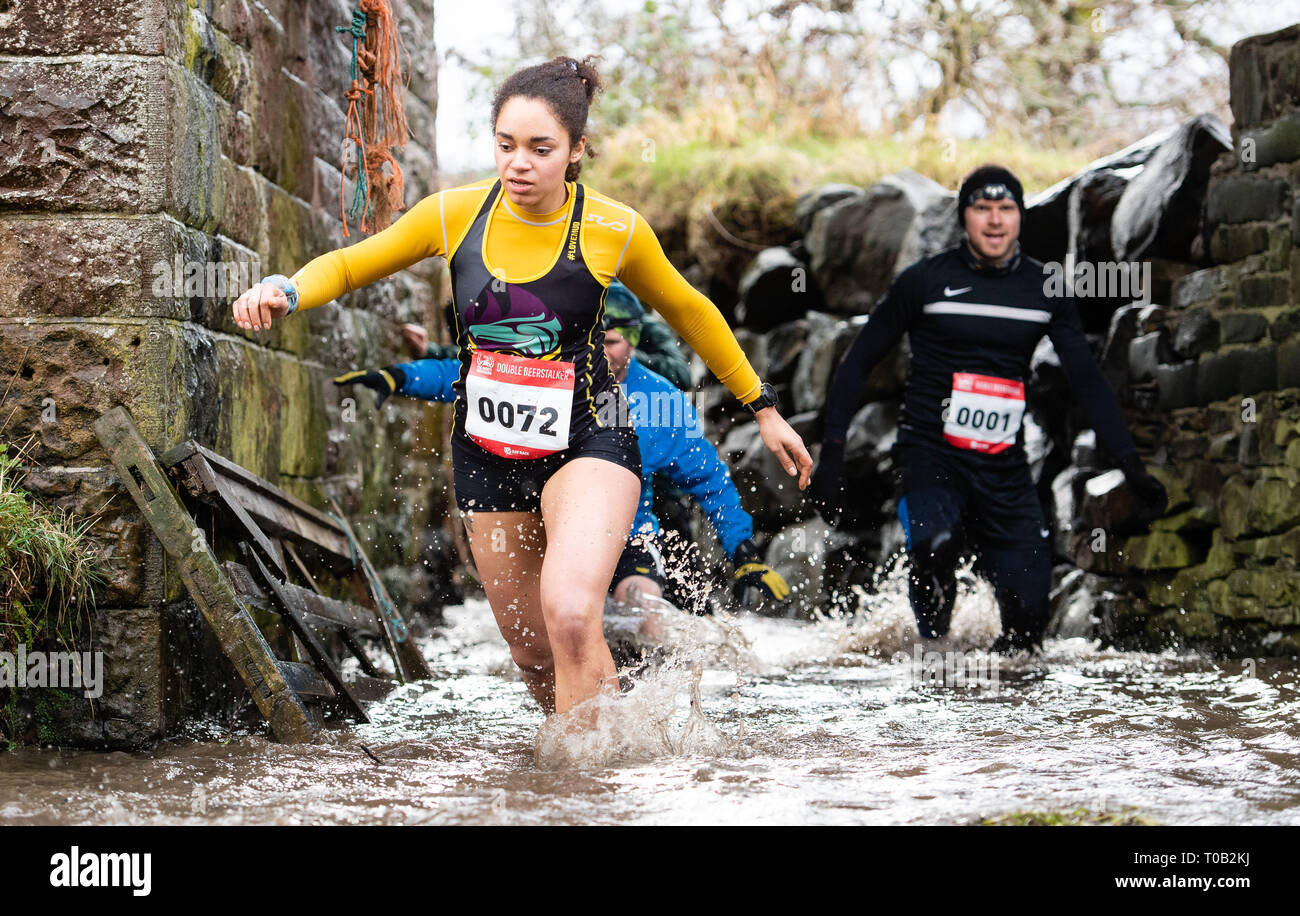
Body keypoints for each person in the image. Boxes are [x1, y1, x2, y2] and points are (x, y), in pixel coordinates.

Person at [232, 56, 811, 717]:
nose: (519, 164)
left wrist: (762, 409)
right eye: (506, 145)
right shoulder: (451, 216)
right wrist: (287, 288)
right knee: (534, 653)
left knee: (568, 614)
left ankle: (594, 781)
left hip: (589, 441)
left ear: (575, 151)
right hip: (487, 457)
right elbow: (350, 265)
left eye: (541, 148)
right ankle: (586, 767)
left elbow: (692, 312)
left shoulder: (611, 229)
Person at [810, 164, 1167, 652]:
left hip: (1004, 466)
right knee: (934, 548)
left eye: (1006, 209)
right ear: (964, 218)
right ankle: (932, 668)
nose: (995, 220)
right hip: (929, 455)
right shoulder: (924, 282)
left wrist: (1131, 465)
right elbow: (855, 365)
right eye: (983, 209)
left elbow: (1089, 382)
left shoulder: (1046, 288)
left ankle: (1000, 718)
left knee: (1028, 623)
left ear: (1020, 217)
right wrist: (831, 454)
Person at [338, 284, 791, 612]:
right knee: (553, 624)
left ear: (632, 344)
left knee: (645, 611)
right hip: (551, 528)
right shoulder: (547, 375)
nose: (601, 351)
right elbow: (466, 376)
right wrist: (399, 377)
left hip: (629, 534)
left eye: (611, 342)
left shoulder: (658, 402)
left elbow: (710, 481)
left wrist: (743, 552)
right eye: (593, 339)